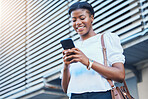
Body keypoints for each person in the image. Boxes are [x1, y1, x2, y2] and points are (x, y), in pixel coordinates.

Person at [61, 1, 125, 99]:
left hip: (101, 95)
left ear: (92, 18)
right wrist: (66, 66)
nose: (78, 23)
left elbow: (120, 75)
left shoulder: (106, 39)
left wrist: (87, 61)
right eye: (74, 20)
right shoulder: (74, 47)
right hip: (75, 96)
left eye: (82, 18)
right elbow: (65, 89)